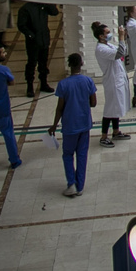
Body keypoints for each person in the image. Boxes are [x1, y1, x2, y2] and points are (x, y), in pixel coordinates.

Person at [49, 51, 97, 197]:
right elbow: (93, 103)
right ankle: (80, 186)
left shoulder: (63, 84)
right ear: (81, 64)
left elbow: (60, 108)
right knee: (82, 155)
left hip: (69, 125)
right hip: (84, 123)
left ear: (69, 65)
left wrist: (53, 125)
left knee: (68, 154)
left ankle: (71, 183)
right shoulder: (88, 81)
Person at [91, 21, 130, 148]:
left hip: (118, 79)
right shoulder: (101, 49)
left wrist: (124, 37)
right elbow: (119, 54)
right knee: (110, 109)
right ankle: (103, 136)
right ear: (101, 36)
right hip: (112, 82)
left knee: (116, 107)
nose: (109, 34)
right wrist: (122, 37)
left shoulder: (108, 45)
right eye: (107, 33)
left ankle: (116, 131)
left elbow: (123, 51)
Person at [14, 2, 57, 98]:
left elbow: (55, 12)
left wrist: (49, 4)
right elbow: (21, 25)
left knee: (43, 63)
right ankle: (30, 86)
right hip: (33, 41)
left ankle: (44, 83)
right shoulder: (25, 9)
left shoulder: (44, 6)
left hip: (44, 39)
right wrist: (30, 34)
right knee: (32, 63)